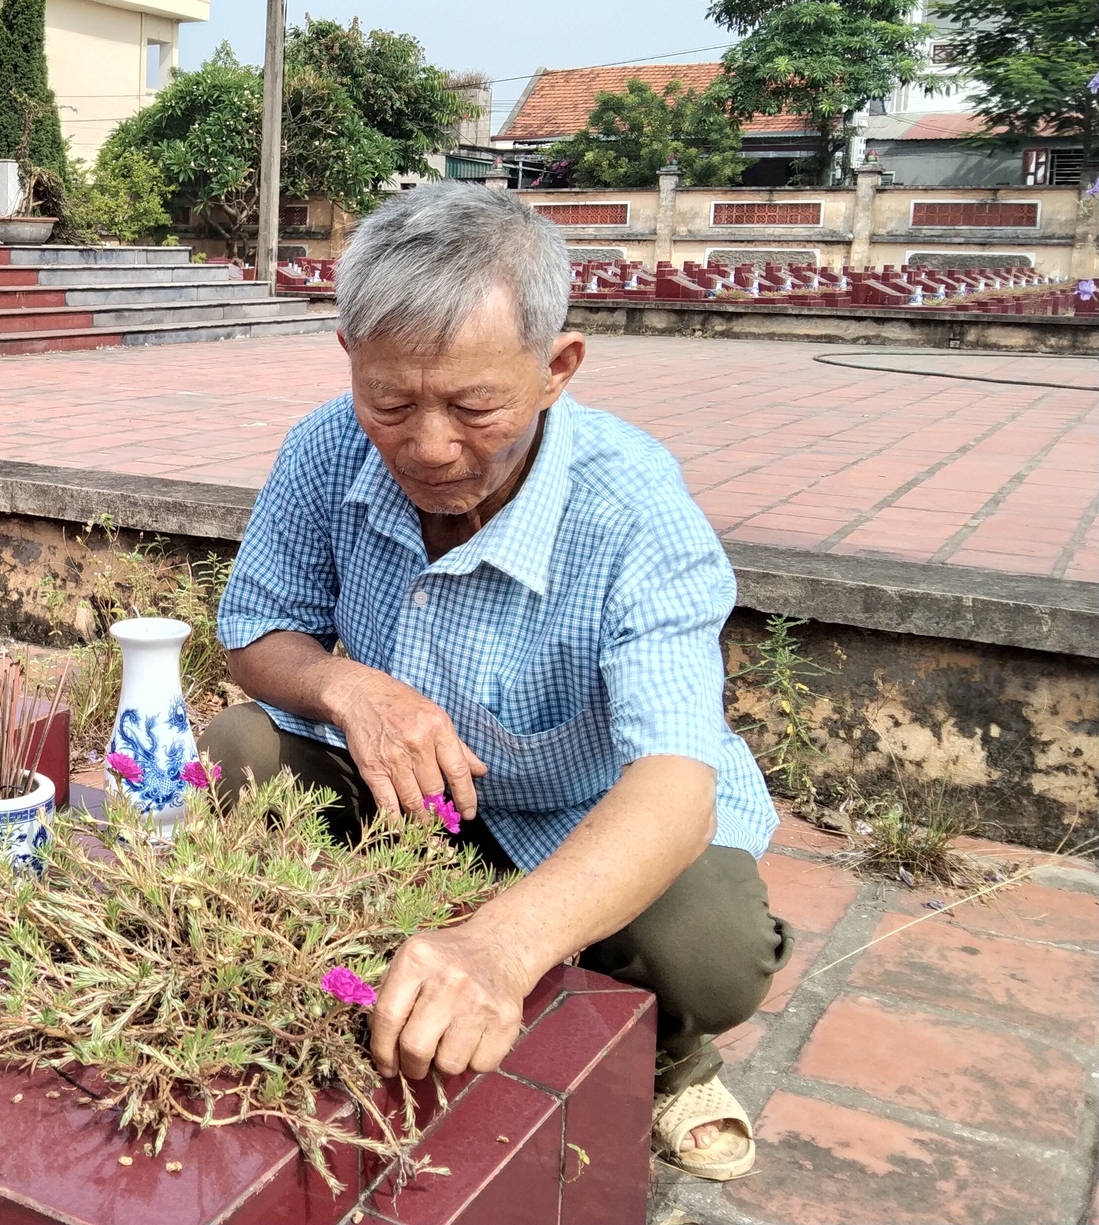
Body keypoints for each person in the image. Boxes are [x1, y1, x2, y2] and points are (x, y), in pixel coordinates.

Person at [203, 182, 789, 1181]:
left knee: (709, 946)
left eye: (475, 407)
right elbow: (254, 632)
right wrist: (352, 690)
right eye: (390, 403)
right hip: (403, 794)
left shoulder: (633, 509)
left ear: (556, 367)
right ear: (350, 360)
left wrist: (503, 947)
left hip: (581, 811)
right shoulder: (323, 447)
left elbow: (674, 779)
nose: (428, 449)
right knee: (234, 754)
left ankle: (666, 1056)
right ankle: (370, 969)